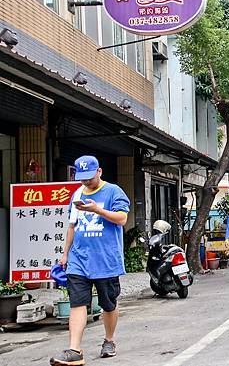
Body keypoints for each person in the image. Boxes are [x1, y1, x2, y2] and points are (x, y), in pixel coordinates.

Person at [50, 155, 130, 365]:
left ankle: (109, 340)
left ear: (99, 172)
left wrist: (98, 210)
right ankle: (74, 350)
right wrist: (65, 254)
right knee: (77, 303)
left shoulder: (113, 191)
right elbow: (72, 226)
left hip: (106, 260)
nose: (86, 181)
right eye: (82, 177)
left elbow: (122, 219)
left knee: (108, 303)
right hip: (79, 259)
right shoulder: (76, 194)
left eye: (89, 177)